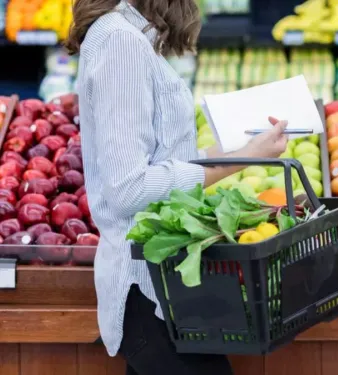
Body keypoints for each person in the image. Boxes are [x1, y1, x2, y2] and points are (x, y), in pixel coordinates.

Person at [65, 1, 289, 374]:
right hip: (148, 292)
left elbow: (159, 160)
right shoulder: (121, 41)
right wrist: (236, 161)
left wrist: (244, 150)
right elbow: (129, 188)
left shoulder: (128, 36)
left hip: (166, 287)